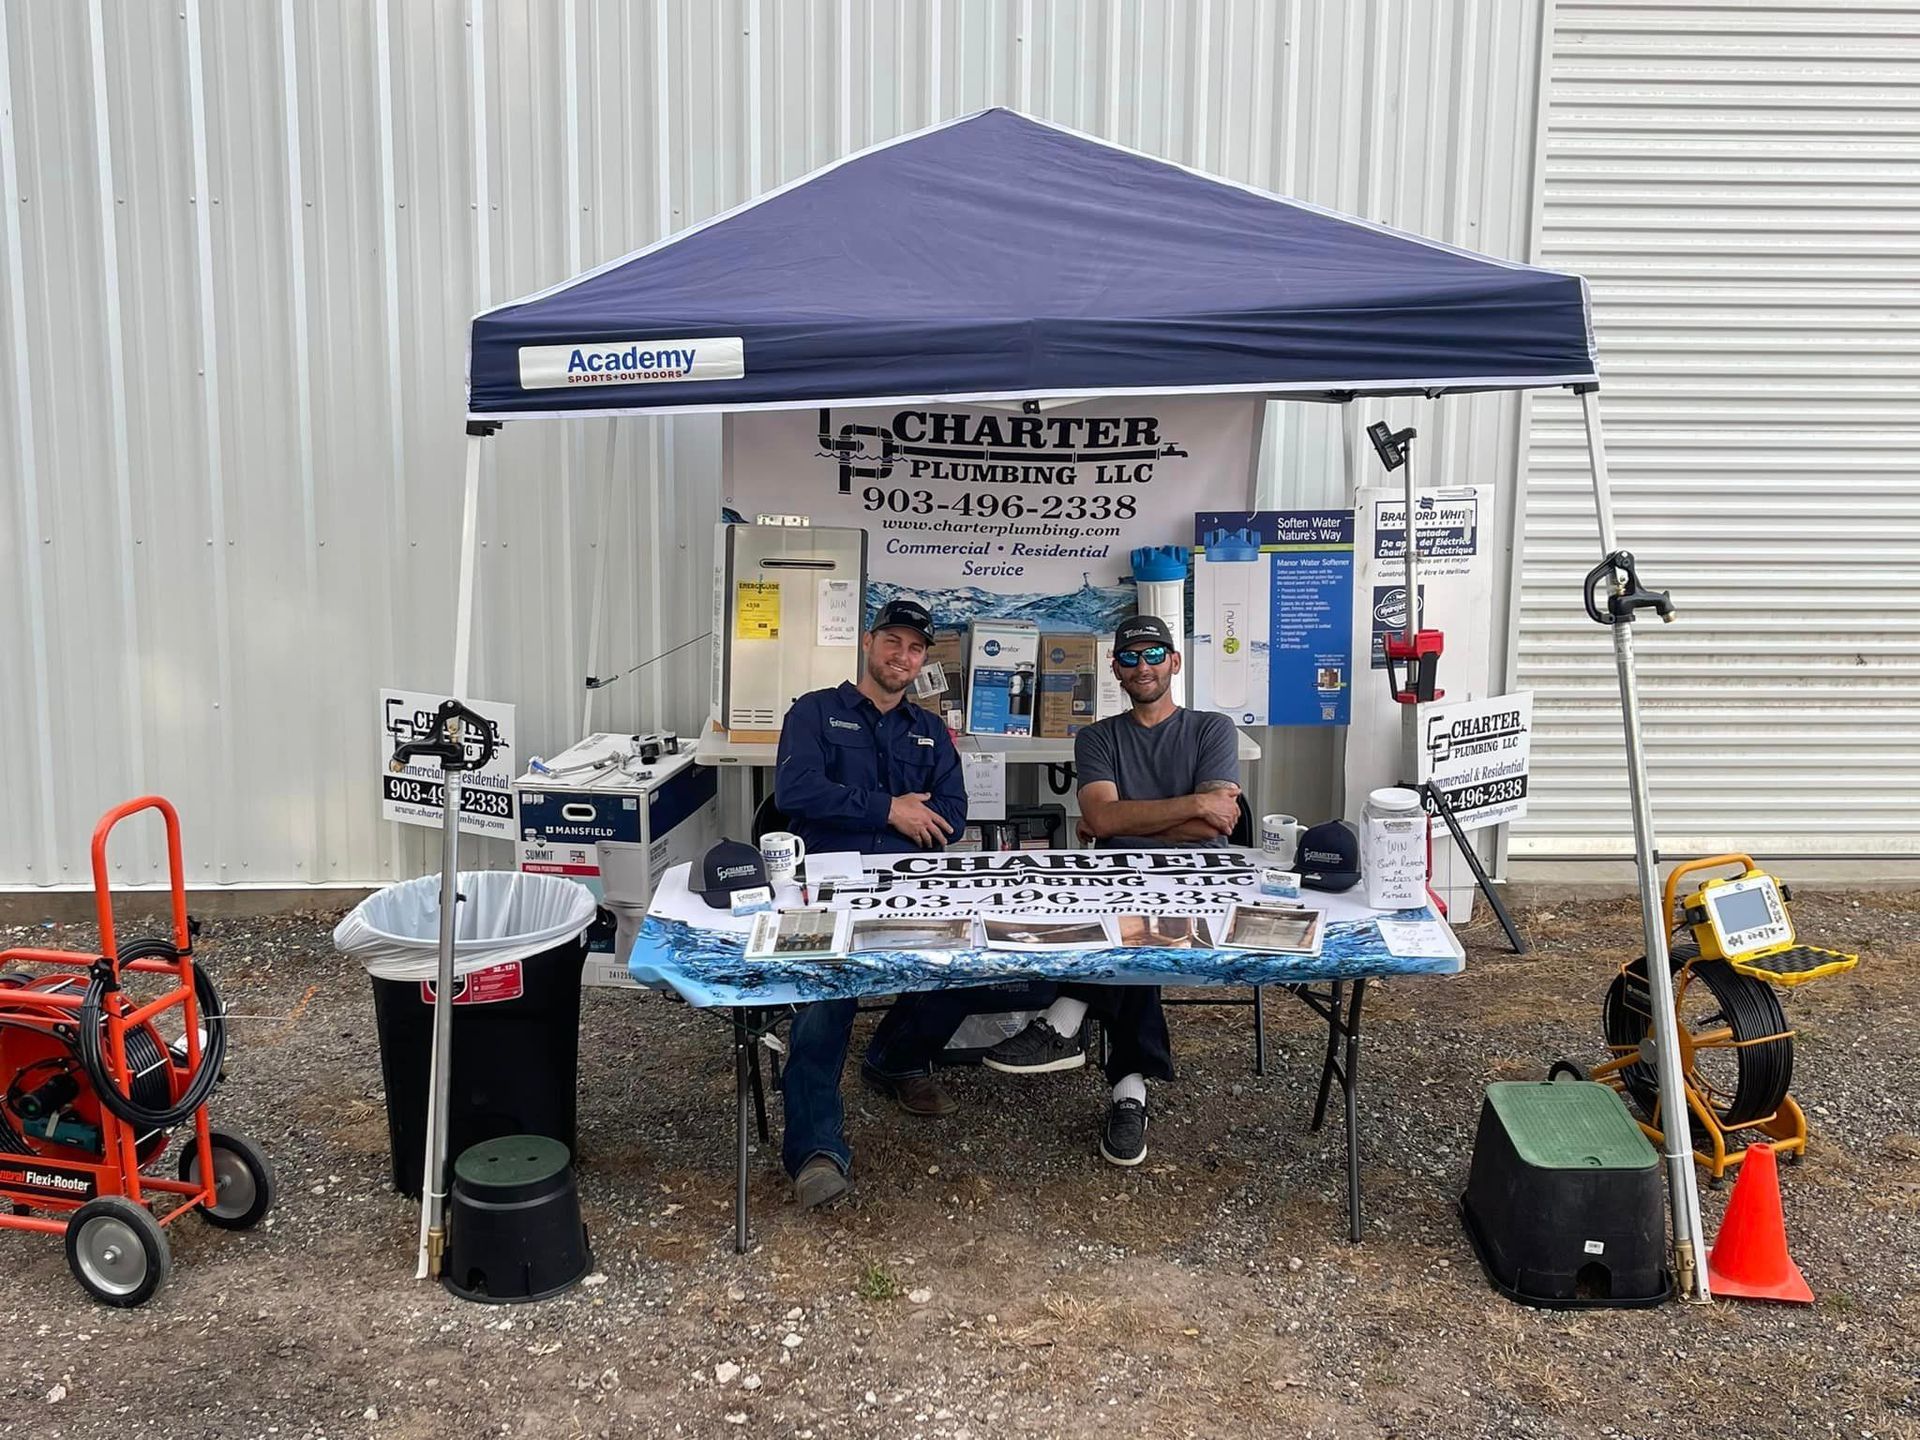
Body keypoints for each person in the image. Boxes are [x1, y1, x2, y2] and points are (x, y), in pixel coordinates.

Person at [980, 614, 1240, 1167]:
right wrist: (1191, 804)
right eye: (1130, 658)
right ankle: (1130, 1093)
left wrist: (1129, 822)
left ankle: (1068, 1014)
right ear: (1115, 670)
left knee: (1131, 930)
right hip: (1120, 881)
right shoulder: (1098, 736)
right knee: (1132, 928)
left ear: (1175, 661)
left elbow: (1217, 825)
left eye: (1153, 655)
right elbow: (1099, 815)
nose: (1142, 667)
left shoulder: (1212, 728)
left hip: (1197, 883)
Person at [772, 597, 981, 1210]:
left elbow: (954, 813)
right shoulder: (813, 713)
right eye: (893, 641)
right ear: (868, 642)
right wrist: (890, 808)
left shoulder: (930, 730)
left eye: (916, 648)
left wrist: (904, 815)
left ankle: (893, 1059)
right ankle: (815, 1150)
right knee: (823, 1002)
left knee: (965, 972)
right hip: (826, 882)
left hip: (910, 881)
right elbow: (797, 791)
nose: (903, 656)